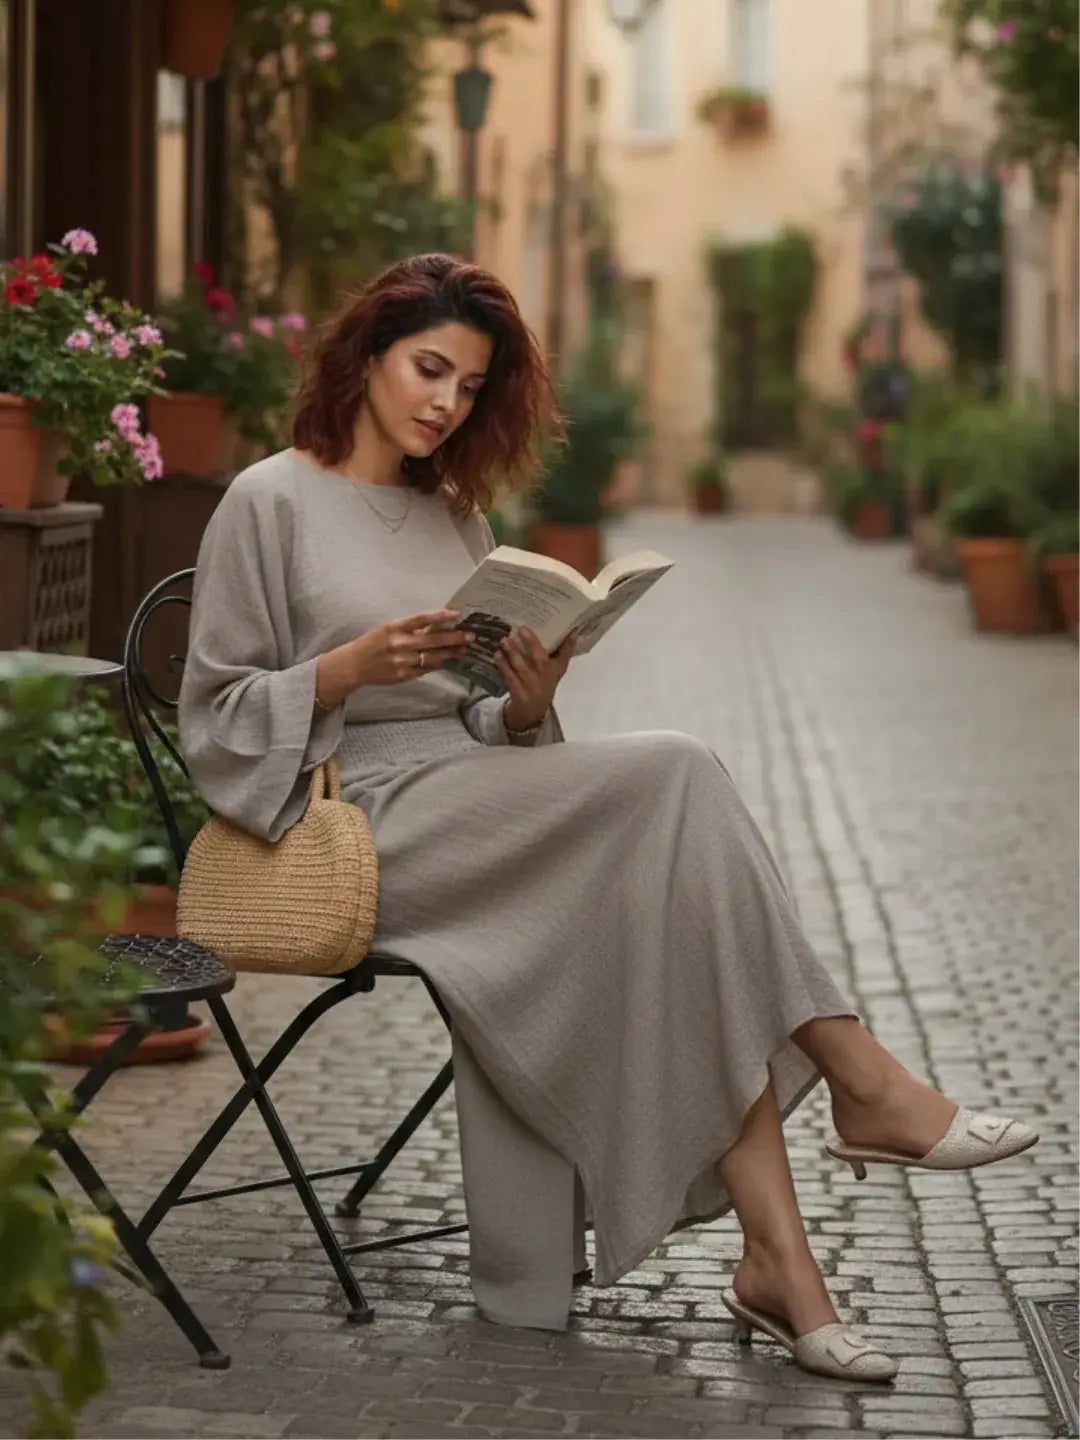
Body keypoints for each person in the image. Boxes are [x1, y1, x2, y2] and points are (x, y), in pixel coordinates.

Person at [178, 254, 1038, 1384]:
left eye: (471, 386)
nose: (446, 401)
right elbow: (214, 718)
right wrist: (341, 669)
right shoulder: (269, 498)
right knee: (676, 774)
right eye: (429, 368)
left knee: (679, 916)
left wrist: (527, 709)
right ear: (366, 356)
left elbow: (484, 724)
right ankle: (861, 1083)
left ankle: (782, 1263)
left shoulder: (457, 514)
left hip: (475, 800)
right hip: (359, 820)